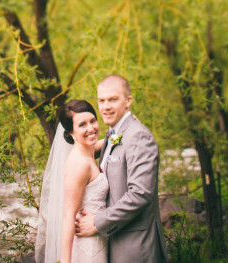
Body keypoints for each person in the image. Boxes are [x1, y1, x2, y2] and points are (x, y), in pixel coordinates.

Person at [75, 75, 169, 263]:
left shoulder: (139, 136)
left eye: (113, 99)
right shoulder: (114, 134)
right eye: (102, 100)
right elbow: (80, 155)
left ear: (128, 101)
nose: (106, 106)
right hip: (115, 238)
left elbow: (140, 194)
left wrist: (97, 222)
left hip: (135, 245)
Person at [35, 99, 109, 263]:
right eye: (82, 125)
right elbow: (68, 216)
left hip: (98, 234)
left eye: (92, 121)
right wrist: (65, 261)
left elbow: (104, 143)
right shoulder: (79, 164)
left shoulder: (87, 151)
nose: (91, 128)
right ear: (70, 133)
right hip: (89, 246)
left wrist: (125, 131)